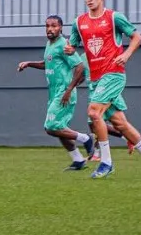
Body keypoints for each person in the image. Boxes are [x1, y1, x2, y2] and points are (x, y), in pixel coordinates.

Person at [65, 0, 141, 179]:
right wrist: (69, 49)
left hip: (113, 73)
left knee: (94, 113)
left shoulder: (114, 17)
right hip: (95, 79)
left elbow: (137, 37)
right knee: (119, 123)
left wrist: (126, 55)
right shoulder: (79, 22)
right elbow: (73, 44)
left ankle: (106, 162)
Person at [18, 15, 94, 169]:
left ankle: (86, 139)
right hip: (54, 93)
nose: (50, 29)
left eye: (54, 26)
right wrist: (29, 64)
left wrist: (69, 90)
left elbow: (80, 67)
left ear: (61, 28)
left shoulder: (64, 44)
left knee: (51, 127)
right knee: (59, 129)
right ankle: (78, 160)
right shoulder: (50, 44)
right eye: (47, 26)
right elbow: (47, 64)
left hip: (64, 93)